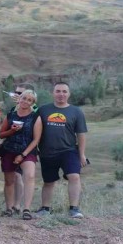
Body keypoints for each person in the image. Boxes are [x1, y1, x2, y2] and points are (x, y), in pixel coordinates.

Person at [35, 82, 89, 219]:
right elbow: (34, 129)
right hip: (47, 152)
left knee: (74, 176)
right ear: (53, 93)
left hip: (69, 151)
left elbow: (81, 134)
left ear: (69, 94)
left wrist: (82, 154)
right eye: (58, 91)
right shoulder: (42, 110)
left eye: (64, 91)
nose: (61, 94)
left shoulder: (76, 111)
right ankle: (45, 208)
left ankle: (74, 209)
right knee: (49, 182)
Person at [0, 89, 42, 220]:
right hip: (9, 149)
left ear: (33, 103)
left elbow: (36, 140)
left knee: (30, 176)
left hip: (27, 150)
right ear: (19, 99)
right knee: (9, 181)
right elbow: (1, 134)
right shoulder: (11, 115)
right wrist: (11, 131)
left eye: (29, 100)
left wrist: (23, 155)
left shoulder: (35, 117)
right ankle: (9, 209)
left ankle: (26, 209)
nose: (26, 101)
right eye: (24, 98)